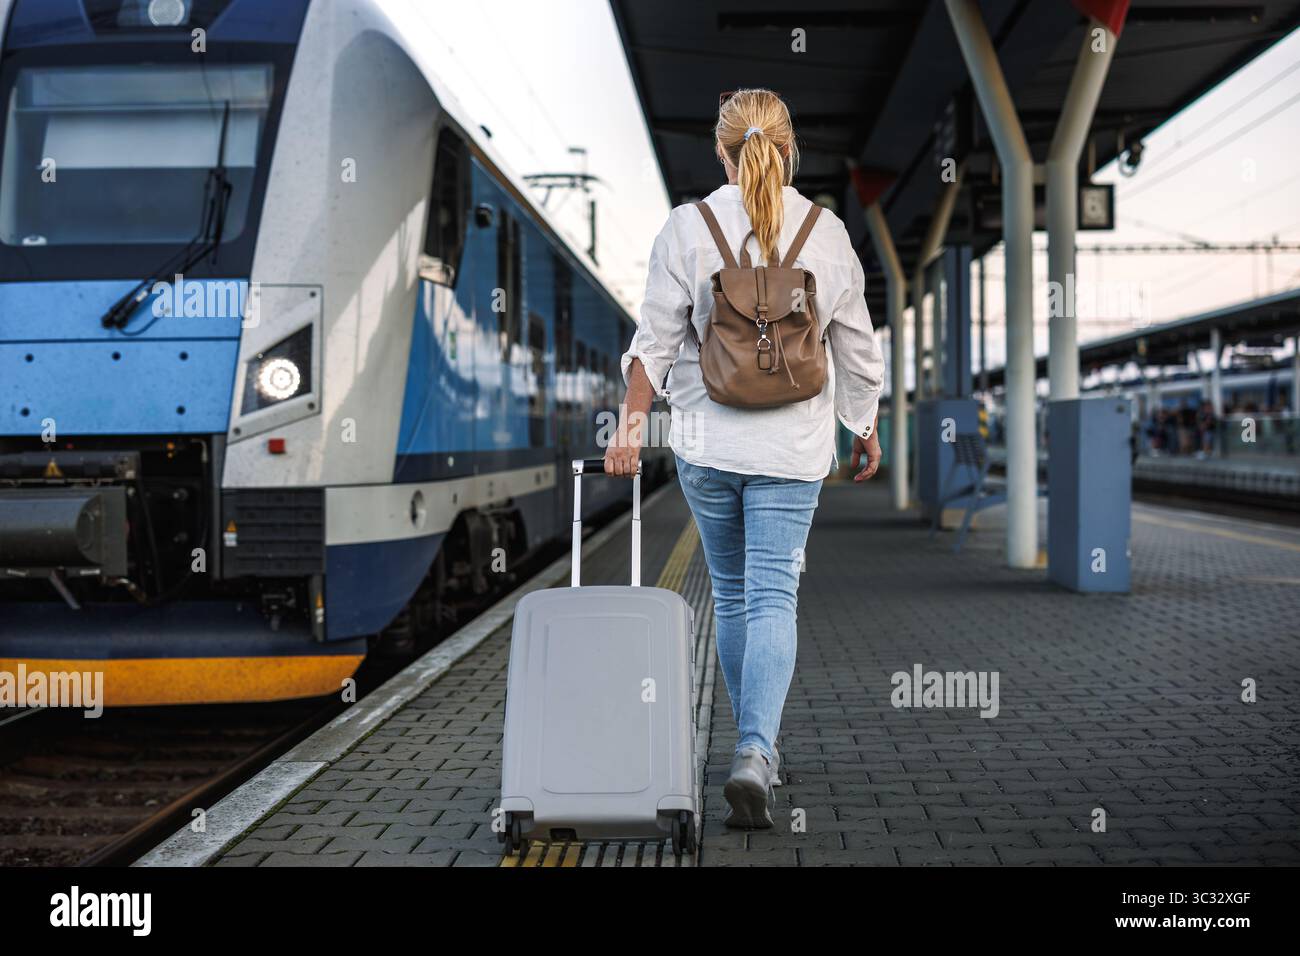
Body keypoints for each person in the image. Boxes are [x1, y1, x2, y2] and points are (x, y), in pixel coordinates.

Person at [604, 89, 886, 829]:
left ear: (721, 154)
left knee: (731, 596)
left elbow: (654, 344)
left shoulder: (686, 228)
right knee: (772, 597)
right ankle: (756, 751)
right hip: (792, 447)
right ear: (790, 152)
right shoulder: (825, 233)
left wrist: (629, 430)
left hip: (707, 444)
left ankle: (751, 743)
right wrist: (864, 424)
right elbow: (857, 346)